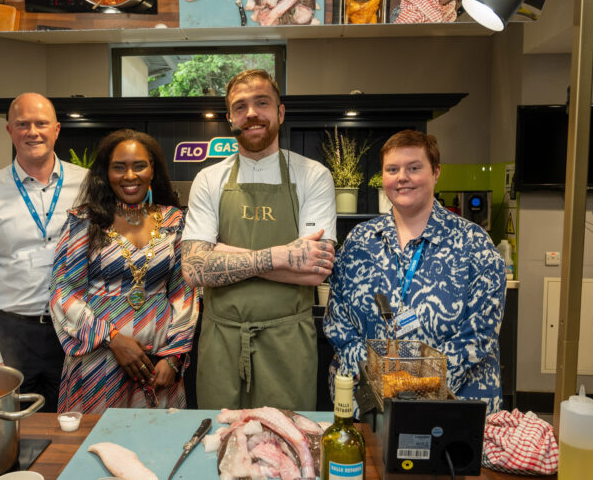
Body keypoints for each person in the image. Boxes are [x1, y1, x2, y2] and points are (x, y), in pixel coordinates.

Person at [181, 69, 337, 411]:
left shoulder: (313, 175)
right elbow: (194, 269)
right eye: (240, 107)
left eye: (262, 103)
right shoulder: (209, 179)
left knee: (286, 447)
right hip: (221, 339)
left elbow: (315, 271)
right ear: (230, 118)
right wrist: (283, 255)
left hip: (288, 341)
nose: (251, 113)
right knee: (219, 445)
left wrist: (222, 255)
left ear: (280, 112)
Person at [324, 130, 505, 414]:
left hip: (452, 404)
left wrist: (417, 384)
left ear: (436, 172)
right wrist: (372, 375)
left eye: (414, 168)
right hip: (367, 402)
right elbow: (337, 318)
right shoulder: (359, 241)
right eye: (392, 169)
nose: (402, 177)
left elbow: (480, 332)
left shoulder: (475, 244)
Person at [50, 129, 198, 414]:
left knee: (156, 448)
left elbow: (185, 290)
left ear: (153, 169)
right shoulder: (84, 220)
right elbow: (63, 291)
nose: (130, 176)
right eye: (119, 167)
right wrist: (113, 339)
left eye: (139, 165)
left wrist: (174, 356)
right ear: (106, 173)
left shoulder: (174, 220)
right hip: (98, 359)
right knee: (95, 445)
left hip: (158, 361)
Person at [0, 93, 88, 413]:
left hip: (75, 330)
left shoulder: (88, 185)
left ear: (56, 129)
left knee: (74, 427)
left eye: (41, 123)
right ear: (9, 131)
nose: (33, 132)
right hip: (12, 336)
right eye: (23, 124)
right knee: (10, 430)